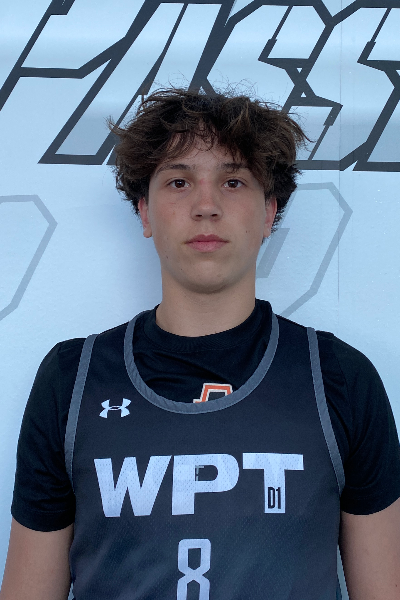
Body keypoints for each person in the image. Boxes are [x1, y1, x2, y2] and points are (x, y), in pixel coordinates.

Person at [1, 87, 400, 600]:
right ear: (145, 213)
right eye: (179, 181)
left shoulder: (339, 379)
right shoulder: (72, 380)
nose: (206, 206)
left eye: (233, 181)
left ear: (269, 212)